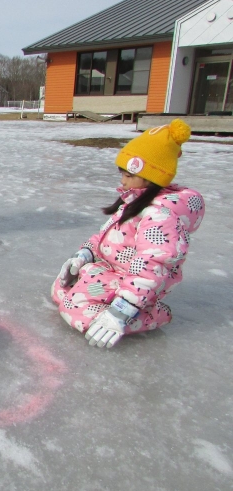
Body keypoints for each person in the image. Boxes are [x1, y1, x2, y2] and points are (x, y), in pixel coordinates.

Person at [51, 119, 205, 349]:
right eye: (121, 173)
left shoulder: (160, 216)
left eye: (129, 175)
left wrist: (122, 310)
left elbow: (152, 266)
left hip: (134, 282)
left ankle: (150, 314)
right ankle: (101, 299)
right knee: (60, 288)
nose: (122, 180)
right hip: (109, 271)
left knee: (74, 310)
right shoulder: (134, 201)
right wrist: (84, 255)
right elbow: (107, 236)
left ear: (152, 176)